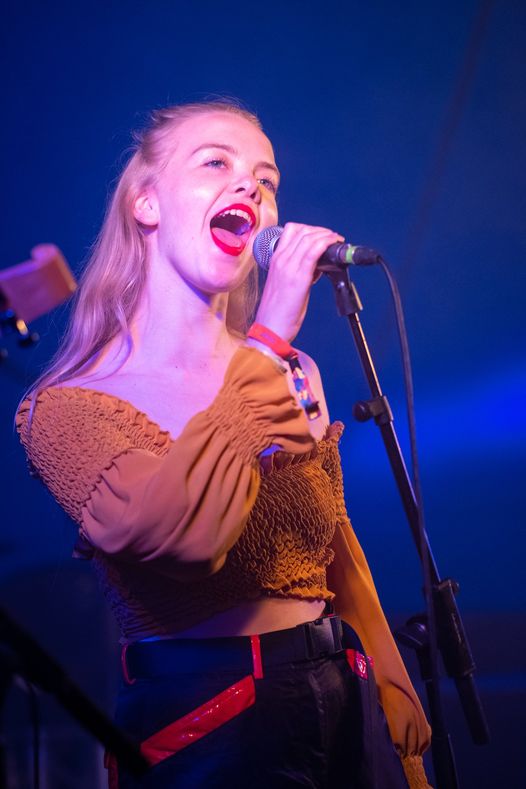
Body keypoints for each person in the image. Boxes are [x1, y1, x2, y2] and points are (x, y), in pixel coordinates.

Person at [17, 101, 431, 788]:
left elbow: (334, 552)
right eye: (216, 162)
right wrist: (265, 343)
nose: (251, 186)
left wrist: (391, 694)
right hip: (207, 727)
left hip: (341, 699)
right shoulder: (65, 408)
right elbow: (183, 538)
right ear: (147, 203)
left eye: (267, 179)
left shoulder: (293, 371)